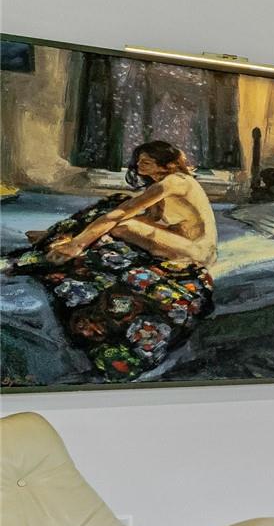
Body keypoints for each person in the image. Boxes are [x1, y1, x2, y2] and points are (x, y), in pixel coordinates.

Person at [4, 141, 218, 381]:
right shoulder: (161, 184)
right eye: (139, 161)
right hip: (180, 243)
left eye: (145, 162)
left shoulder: (174, 181)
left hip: (196, 251)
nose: (138, 165)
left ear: (164, 165)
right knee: (113, 209)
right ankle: (55, 236)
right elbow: (152, 219)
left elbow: (122, 214)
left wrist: (80, 242)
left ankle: (58, 239)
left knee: (117, 218)